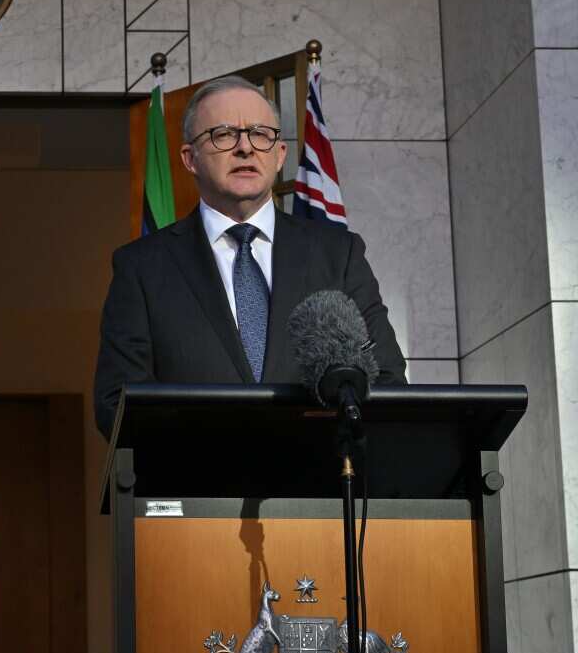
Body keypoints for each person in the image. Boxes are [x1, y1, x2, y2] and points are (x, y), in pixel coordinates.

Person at [93, 76, 405, 438]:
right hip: (200, 486)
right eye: (223, 134)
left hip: (317, 484)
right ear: (189, 158)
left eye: (260, 134)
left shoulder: (338, 254)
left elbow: (387, 379)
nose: (245, 147)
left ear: (279, 155)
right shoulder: (142, 267)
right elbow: (116, 404)